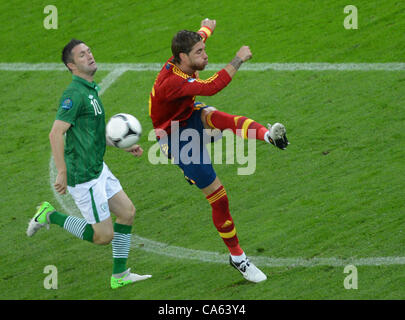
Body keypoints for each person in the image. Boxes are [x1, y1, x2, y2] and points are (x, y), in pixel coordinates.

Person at [149, 19, 289, 283]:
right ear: (183, 57)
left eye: (203, 49)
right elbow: (213, 85)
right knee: (219, 198)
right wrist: (238, 59)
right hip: (175, 137)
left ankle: (269, 136)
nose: (206, 55)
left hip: (187, 114)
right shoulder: (173, 83)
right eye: (199, 53)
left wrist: (206, 30)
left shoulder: (181, 58)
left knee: (217, 118)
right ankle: (238, 258)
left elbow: (197, 41)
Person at [27, 39, 151, 289]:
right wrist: (62, 171)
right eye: (82, 55)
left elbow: (92, 133)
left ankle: (120, 276)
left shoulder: (90, 90)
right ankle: (49, 214)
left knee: (127, 213)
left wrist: (122, 145)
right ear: (71, 66)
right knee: (103, 236)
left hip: (98, 168)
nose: (90, 56)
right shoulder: (74, 95)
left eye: (89, 51)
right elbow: (55, 133)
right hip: (84, 177)